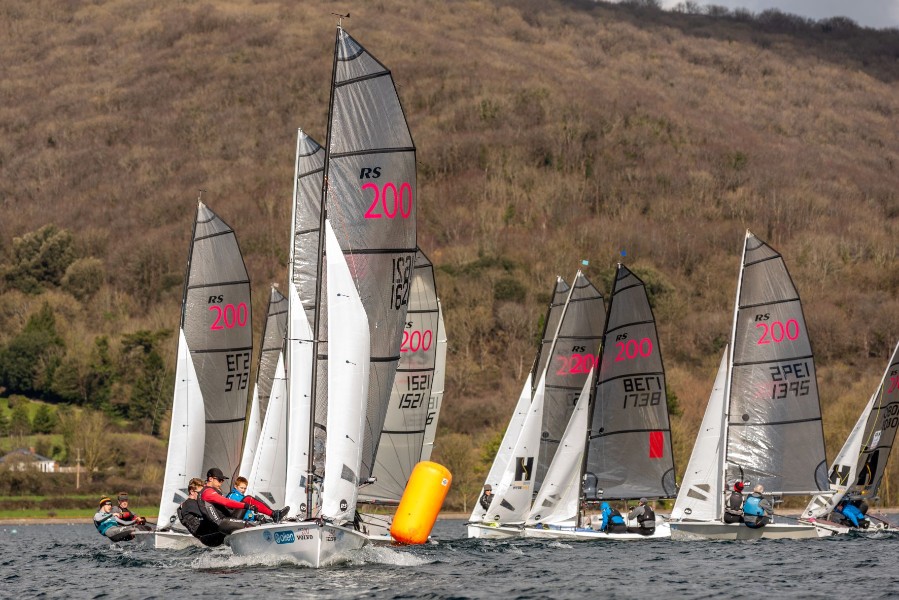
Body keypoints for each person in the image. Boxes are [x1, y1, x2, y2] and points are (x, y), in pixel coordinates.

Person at [200, 468, 289, 524]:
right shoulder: (208, 492)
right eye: (220, 480)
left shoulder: (209, 491)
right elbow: (227, 502)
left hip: (226, 519)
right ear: (210, 479)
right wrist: (246, 506)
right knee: (248, 499)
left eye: (222, 480)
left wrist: (255, 516)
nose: (221, 482)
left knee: (247, 499)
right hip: (225, 522)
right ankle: (274, 514)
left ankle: (273, 515)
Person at [178, 477, 228, 547]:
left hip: (209, 536)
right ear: (192, 492)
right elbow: (207, 513)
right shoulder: (189, 504)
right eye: (200, 493)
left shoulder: (189, 504)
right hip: (210, 536)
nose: (202, 495)